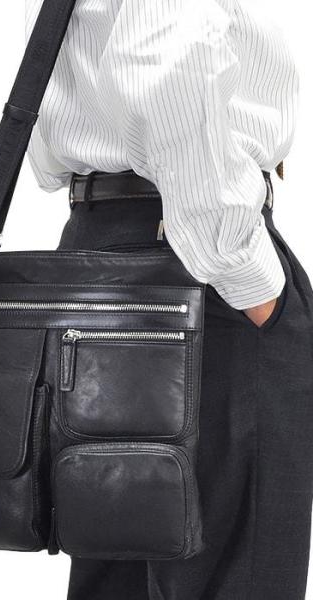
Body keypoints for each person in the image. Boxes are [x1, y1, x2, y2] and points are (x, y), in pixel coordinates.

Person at [25, 0, 313, 598]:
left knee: (116, 559)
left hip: (101, 247)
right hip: (195, 264)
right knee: (236, 567)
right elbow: (166, 64)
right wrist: (251, 280)